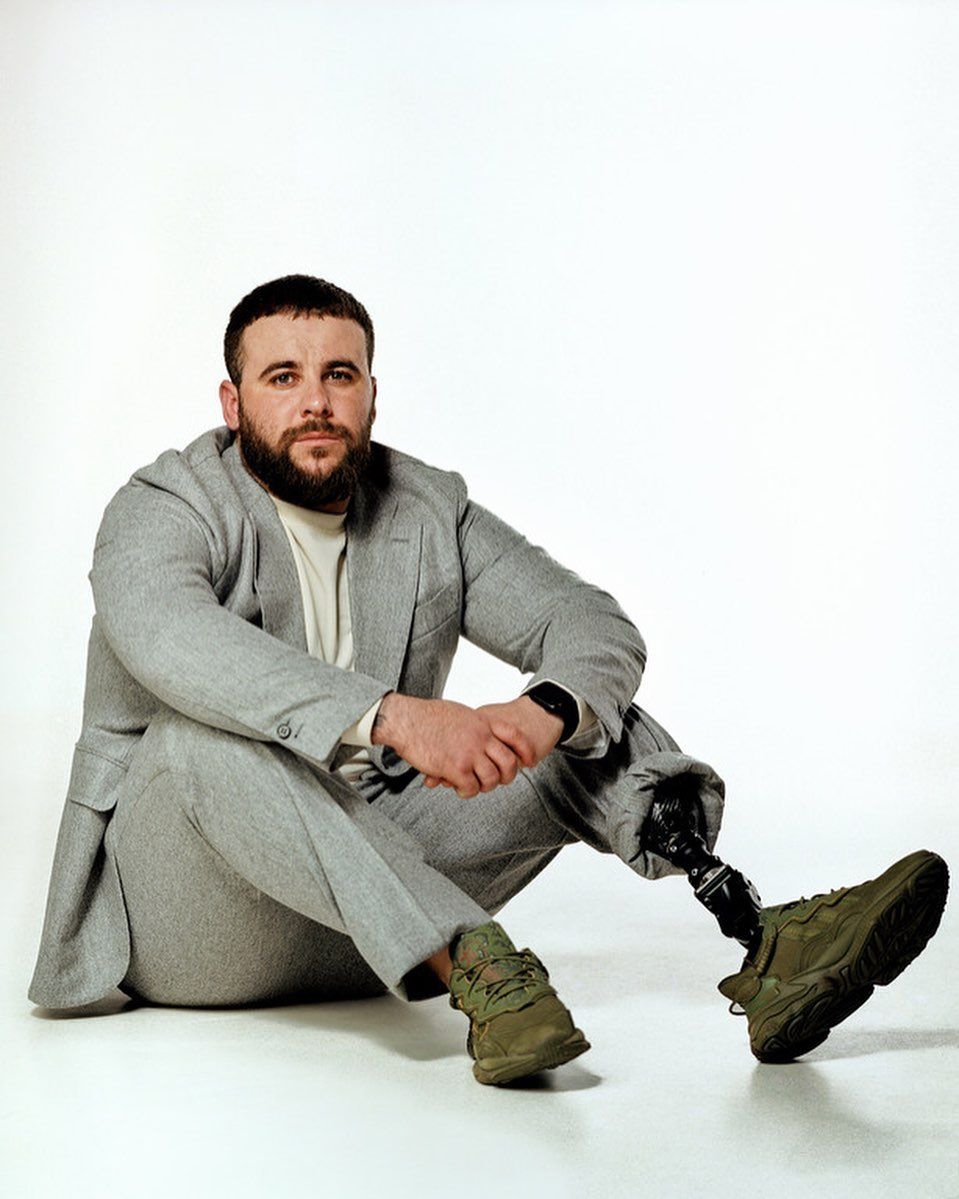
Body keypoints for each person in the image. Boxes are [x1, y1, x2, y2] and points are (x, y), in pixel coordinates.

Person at [29, 274, 949, 1087]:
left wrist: (542, 712)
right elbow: (173, 638)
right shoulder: (162, 507)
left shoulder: (426, 505)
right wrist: (393, 717)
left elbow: (587, 623)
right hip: (200, 924)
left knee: (590, 714)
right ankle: (480, 967)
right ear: (232, 405)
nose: (315, 402)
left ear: (372, 394)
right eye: (283, 378)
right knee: (201, 730)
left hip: (373, 920)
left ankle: (765, 940)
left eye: (339, 375)